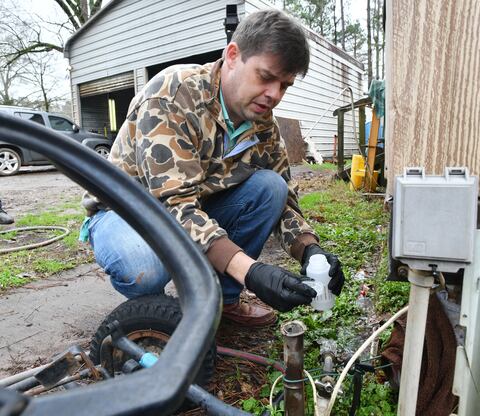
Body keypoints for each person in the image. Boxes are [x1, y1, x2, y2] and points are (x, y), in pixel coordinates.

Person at [80, 9, 344, 327]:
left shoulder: (262, 122)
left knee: (270, 187)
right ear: (233, 55)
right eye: (265, 77)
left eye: (284, 85)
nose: (274, 94)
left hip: (196, 206)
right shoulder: (173, 95)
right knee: (143, 267)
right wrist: (251, 270)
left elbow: (285, 196)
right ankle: (157, 315)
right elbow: (174, 205)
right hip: (127, 210)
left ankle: (224, 299)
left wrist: (309, 250)